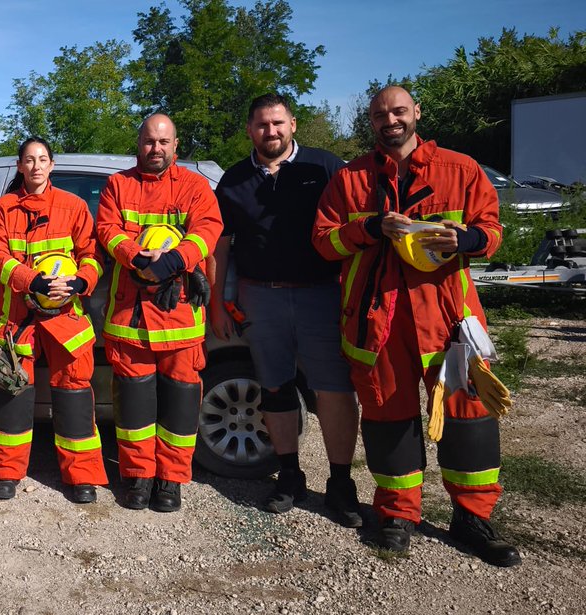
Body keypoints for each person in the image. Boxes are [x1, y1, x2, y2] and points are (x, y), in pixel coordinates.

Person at [313, 86, 519, 566]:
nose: (391, 120)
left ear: (416, 113)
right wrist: (367, 229)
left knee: (469, 417)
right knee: (388, 416)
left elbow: (492, 232)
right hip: (377, 320)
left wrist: (464, 237)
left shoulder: (460, 168)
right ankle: (397, 515)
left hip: (448, 318)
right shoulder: (350, 179)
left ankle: (473, 518)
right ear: (371, 121)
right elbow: (323, 241)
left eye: (399, 111)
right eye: (381, 114)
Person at [211, 94, 362, 527]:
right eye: (261, 125)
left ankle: (340, 483)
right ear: (249, 130)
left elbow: (354, 230)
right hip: (262, 296)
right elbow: (221, 246)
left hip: (322, 294)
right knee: (274, 388)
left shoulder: (325, 167)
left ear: (293, 124)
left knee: (334, 388)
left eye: (278, 123)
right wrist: (219, 301)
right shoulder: (235, 180)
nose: (270, 132)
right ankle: (290, 475)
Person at [96, 113, 223, 513]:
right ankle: (138, 477)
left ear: (176, 145)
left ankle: (170, 480)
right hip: (130, 318)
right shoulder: (119, 184)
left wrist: (174, 262)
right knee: (133, 409)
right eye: (149, 142)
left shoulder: (195, 186)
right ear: (139, 144)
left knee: (180, 407)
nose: (156, 149)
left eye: (163, 143)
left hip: (181, 318)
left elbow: (208, 229)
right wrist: (138, 258)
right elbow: (107, 230)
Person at [0, 137, 107, 503]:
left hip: (67, 318)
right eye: (29, 160)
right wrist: (29, 280)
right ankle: (5, 472)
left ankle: (81, 476)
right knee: (12, 393)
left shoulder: (74, 206)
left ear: (52, 165)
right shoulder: (3, 208)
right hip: (18, 317)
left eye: (42, 160)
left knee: (75, 395)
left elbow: (92, 255)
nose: (36, 166)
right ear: (20, 166)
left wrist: (83, 281)